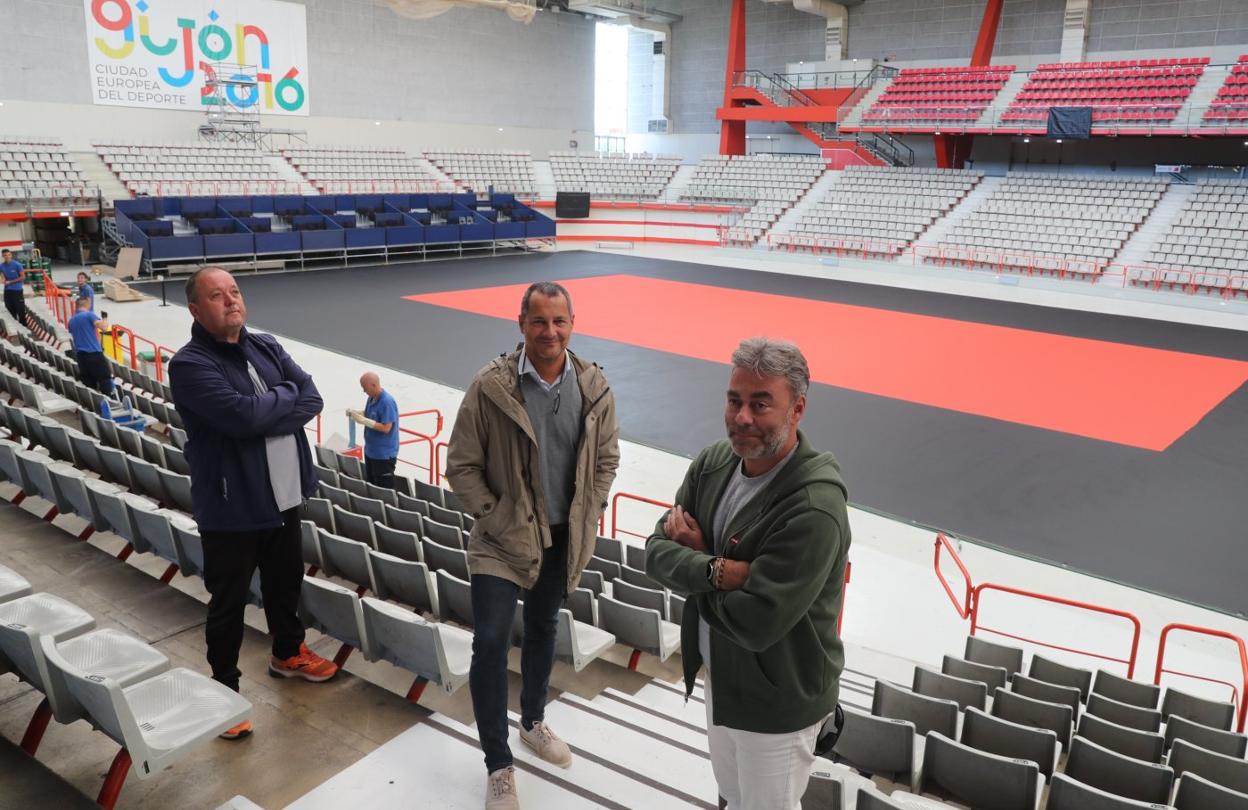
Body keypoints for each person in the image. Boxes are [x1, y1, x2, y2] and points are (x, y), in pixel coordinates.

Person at [644, 337, 851, 810]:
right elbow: (655, 552)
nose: (742, 417)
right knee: (732, 797)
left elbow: (757, 624)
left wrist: (694, 562)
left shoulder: (815, 508)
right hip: (721, 678)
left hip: (776, 703)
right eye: (735, 400)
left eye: (761, 404)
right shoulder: (714, 462)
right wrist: (718, 569)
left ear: (797, 409)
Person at [446, 281, 620, 810]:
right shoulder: (489, 386)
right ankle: (498, 763)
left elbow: (607, 458)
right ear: (521, 324)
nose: (550, 332)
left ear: (573, 324)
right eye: (539, 322)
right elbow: (462, 465)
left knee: (544, 628)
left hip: (561, 539)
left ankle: (534, 721)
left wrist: (590, 506)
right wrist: (498, 516)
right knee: (492, 641)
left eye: (559, 322)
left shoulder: (594, 388)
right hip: (500, 539)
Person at [168, 266, 337, 742]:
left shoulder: (266, 345)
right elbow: (242, 418)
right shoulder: (190, 365)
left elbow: (314, 398)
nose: (231, 301)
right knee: (228, 603)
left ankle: (288, 653)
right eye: (217, 296)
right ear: (197, 310)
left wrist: (276, 405)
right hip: (232, 506)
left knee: (286, 584)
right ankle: (223, 691)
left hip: (284, 496)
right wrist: (286, 398)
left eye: (235, 292)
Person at [347, 371, 399, 489]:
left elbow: (387, 427)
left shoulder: (387, 402)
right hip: (370, 451)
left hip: (383, 455)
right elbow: (370, 414)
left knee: (383, 488)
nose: (364, 391)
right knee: (371, 485)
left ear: (374, 385)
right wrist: (356, 414)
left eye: (365, 388)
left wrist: (364, 421)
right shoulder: (371, 398)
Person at [66, 296, 113, 395]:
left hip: (81, 357)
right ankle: (111, 403)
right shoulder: (89, 315)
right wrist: (104, 318)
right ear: (87, 304)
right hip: (94, 354)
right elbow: (104, 328)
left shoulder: (71, 321)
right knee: (105, 381)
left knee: (89, 386)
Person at [1, 249, 26, 326]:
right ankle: (15, 326)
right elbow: (2, 276)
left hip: (17, 290)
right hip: (7, 290)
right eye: (5, 255)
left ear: (11, 255)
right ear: (2, 256)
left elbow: (23, 277)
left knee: (20, 309)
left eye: (8, 255)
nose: (7, 257)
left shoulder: (17, 265)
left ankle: (24, 326)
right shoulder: (1, 266)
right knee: (10, 309)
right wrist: (2, 279)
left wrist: (10, 282)